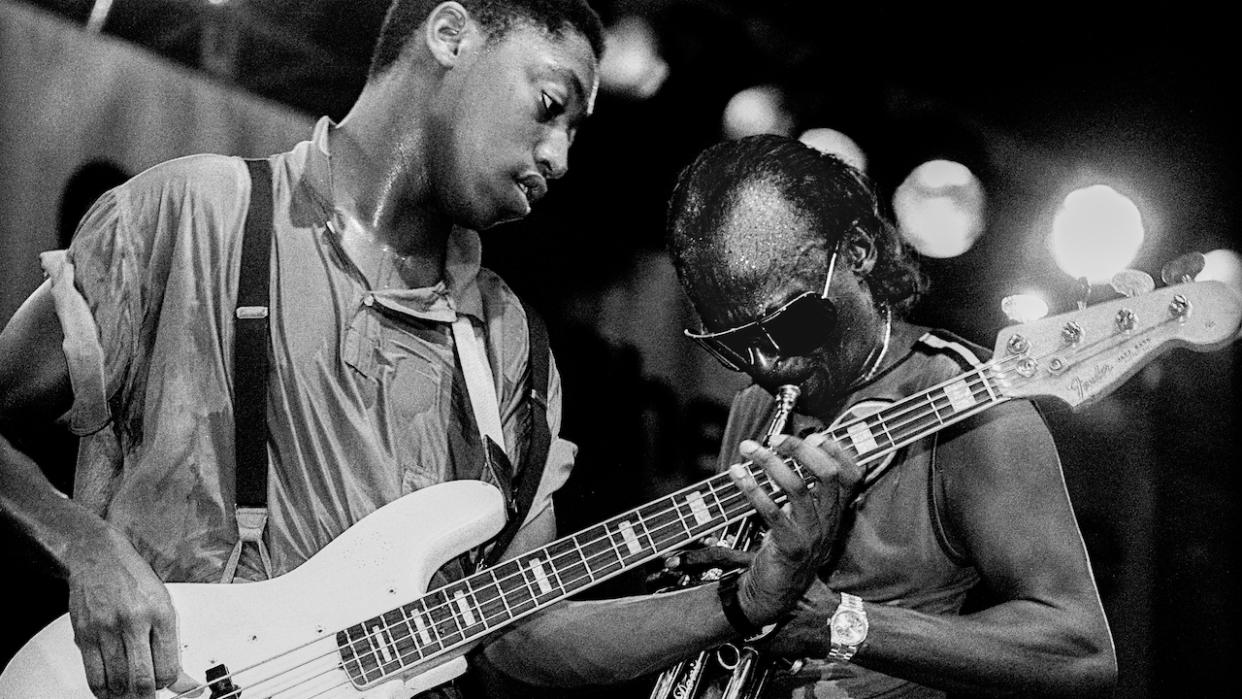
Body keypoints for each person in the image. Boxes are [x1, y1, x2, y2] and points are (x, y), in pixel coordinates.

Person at [0, 2, 857, 698]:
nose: (559, 157)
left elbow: (517, 635)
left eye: (576, 134)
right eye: (551, 107)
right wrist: (84, 545)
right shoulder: (193, 212)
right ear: (450, 35)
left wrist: (742, 601)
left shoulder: (512, 347)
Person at [656, 135, 1119, 698]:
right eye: (732, 344)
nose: (765, 363)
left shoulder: (971, 405)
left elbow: (1080, 650)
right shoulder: (754, 407)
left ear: (857, 252)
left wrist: (841, 623)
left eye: (787, 323)